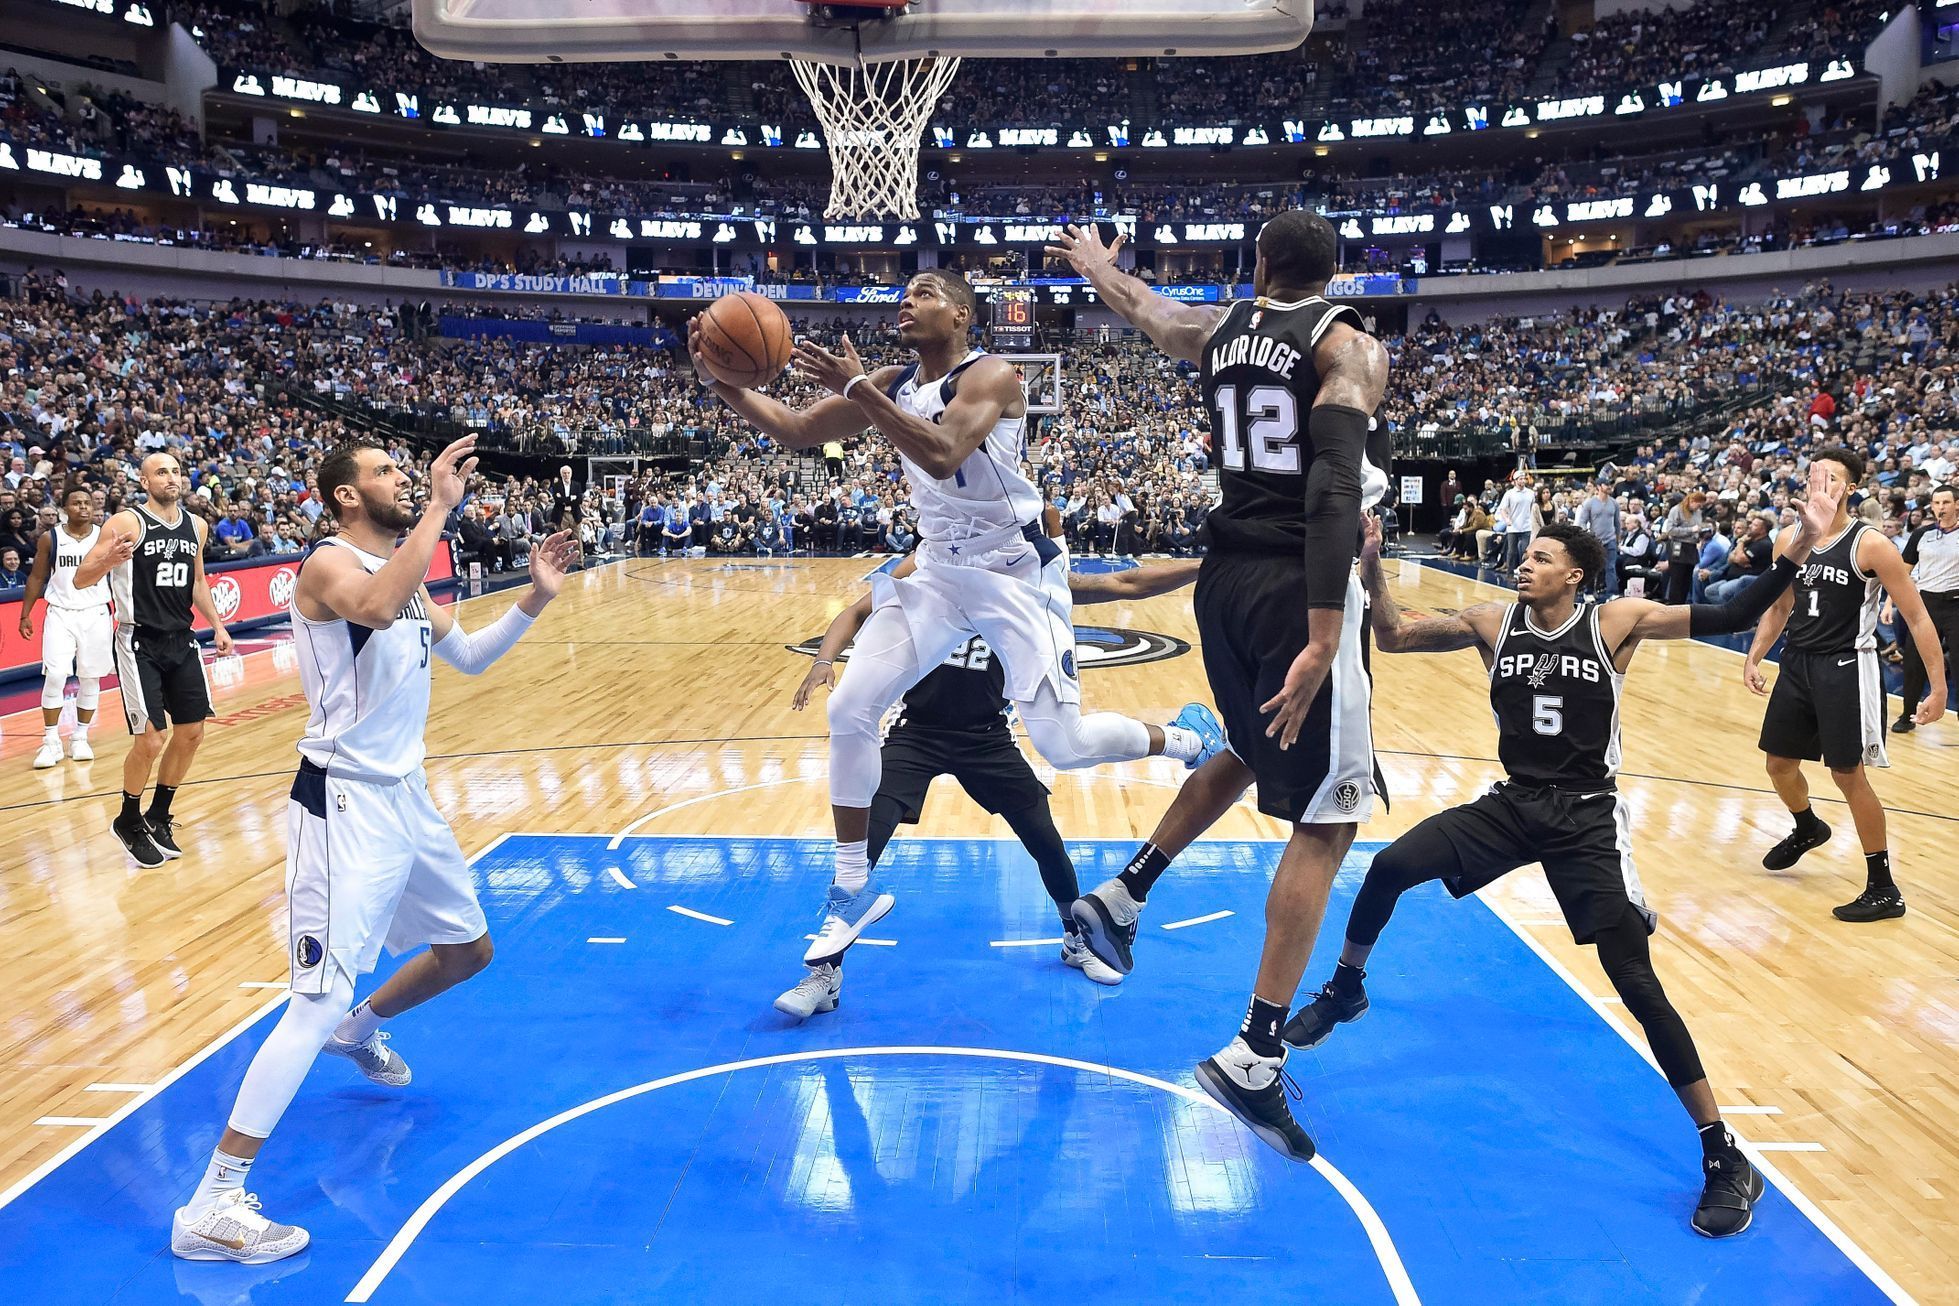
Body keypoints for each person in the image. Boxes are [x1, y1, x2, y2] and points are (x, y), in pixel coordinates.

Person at [1289, 482, 1840, 1239]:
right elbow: (1392, 635)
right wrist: (1372, 563)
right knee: (1389, 867)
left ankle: (1722, 1153)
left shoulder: (1617, 621)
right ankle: (1346, 986)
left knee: (1633, 980)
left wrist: (1800, 544)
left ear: (1574, 574)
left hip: (1584, 816)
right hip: (1512, 803)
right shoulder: (1492, 620)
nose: (1524, 563)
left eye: (1542, 556)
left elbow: (1737, 613)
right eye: (1527, 553)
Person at [692, 267, 1221, 986]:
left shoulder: (994, 375)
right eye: (902, 295)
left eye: (923, 294)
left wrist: (859, 390)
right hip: (938, 572)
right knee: (850, 707)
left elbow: (942, 454)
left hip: (1013, 577)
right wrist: (720, 380)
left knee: (1062, 747)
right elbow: (792, 431)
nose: (905, 303)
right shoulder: (890, 381)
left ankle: (1185, 737)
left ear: (963, 315)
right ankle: (850, 889)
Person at [168, 437, 579, 1264]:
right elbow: (377, 609)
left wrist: (533, 598)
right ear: (346, 497)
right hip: (342, 804)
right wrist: (434, 507)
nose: (402, 478)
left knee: (467, 951)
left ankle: (358, 1031)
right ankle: (210, 1203)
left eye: (404, 471)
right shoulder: (327, 565)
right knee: (311, 998)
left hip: (406, 798)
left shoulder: (404, 570)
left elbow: (464, 655)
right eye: (385, 472)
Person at [1049, 211, 1389, 1161]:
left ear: (1257, 266)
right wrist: (1325, 635)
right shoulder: (1348, 347)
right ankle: (1254, 1052)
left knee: (1248, 745)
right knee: (1326, 819)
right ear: (1336, 273)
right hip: (1295, 586)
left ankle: (1123, 896)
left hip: (1224, 580)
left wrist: (1092, 267)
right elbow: (1330, 489)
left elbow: (1143, 306)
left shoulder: (1218, 329)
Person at [778, 536, 1206, 1016]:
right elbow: (856, 613)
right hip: (916, 732)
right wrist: (823, 661)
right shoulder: (929, 563)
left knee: (1045, 841)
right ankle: (824, 975)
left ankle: (1075, 940)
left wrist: (1207, 563)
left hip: (987, 736)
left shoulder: (1028, 574)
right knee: (863, 844)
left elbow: (1123, 582)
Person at [1746, 448, 1947, 920]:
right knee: (1778, 765)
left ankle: (1883, 887)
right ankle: (1807, 826)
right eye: (1815, 475)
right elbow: (1779, 609)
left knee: (1846, 774)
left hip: (1847, 666)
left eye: (1832, 477)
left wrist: (1937, 687)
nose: (1821, 483)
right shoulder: (1787, 539)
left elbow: (1917, 617)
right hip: (1796, 663)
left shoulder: (1871, 544)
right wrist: (1755, 655)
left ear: (1850, 488)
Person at [72, 452, 234, 867]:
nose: (172, 478)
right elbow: (81, 577)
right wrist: (108, 560)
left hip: (182, 638)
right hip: (138, 640)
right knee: (150, 739)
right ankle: (128, 818)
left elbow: (198, 581)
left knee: (193, 732)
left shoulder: (196, 526)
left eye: (177, 471)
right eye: (162, 472)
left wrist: (217, 625)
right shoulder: (127, 523)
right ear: (144, 481)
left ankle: (159, 816)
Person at [18, 481, 111, 768]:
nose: (83, 507)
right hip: (60, 612)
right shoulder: (51, 538)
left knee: (90, 677)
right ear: (64, 509)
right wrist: (25, 613)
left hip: (95, 613)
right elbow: (36, 577)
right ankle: (50, 742)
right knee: (56, 675)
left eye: (87, 502)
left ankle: (80, 737)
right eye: (76, 503)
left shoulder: (105, 536)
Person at [1894, 483, 1958, 732]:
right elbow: (1902, 571)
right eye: (1936, 503)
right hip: (1925, 603)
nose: (1940, 507)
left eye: (1945, 502)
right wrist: (1890, 603)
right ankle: (1908, 714)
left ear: (1957, 505)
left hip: (1956, 605)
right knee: (1913, 661)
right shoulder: (1922, 534)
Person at [1574, 480, 1620, 596]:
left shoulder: (1614, 503)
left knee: (1611, 567)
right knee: (1593, 567)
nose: (1609, 487)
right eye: (1606, 485)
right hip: (1595, 540)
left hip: (1610, 539)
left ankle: (1612, 593)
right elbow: (1582, 521)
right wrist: (1588, 536)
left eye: (1610, 485)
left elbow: (1617, 523)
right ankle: (1588, 592)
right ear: (1599, 487)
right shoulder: (1590, 503)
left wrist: (1617, 539)